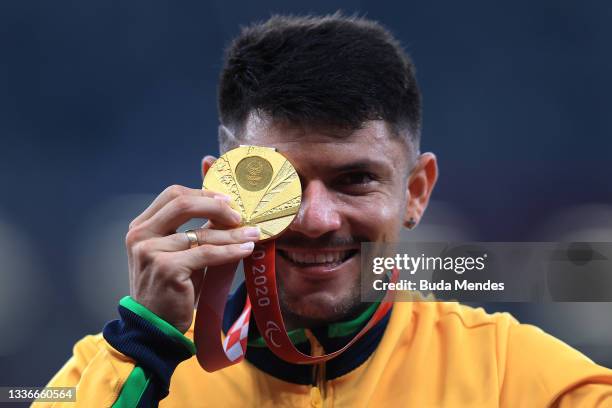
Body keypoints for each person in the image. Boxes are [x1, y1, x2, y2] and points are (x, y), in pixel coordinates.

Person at [36, 14, 612, 407]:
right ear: (220, 188)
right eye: (279, 181)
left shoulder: (521, 380)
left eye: (355, 180)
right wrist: (147, 349)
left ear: (415, 191)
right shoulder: (118, 367)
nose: (315, 220)